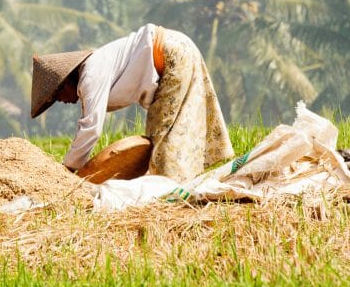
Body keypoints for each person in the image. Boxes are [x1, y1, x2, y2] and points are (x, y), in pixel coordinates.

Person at [30, 23, 234, 182]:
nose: (62, 102)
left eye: (57, 97)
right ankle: (176, 184)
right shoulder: (93, 69)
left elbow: (91, 128)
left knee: (163, 140)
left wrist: (67, 169)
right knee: (168, 132)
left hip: (171, 53)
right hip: (178, 46)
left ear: (65, 83)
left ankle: (170, 192)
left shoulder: (90, 77)